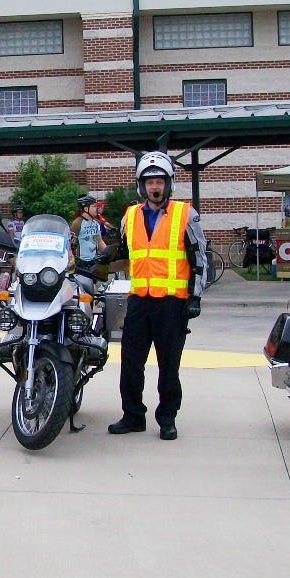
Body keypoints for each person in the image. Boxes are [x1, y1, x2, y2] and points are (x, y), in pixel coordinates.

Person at [106, 151, 206, 441]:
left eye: (160, 181)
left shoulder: (185, 214)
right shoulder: (130, 216)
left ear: (169, 184)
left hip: (172, 303)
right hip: (139, 300)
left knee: (169, 365)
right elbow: (124, 253)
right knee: (130, 362)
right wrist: (100, 260)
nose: (155, 187)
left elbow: (200, 259)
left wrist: (195, 298)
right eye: (150, 182)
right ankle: (133, 416)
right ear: (142, 186)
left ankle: (167, 418)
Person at [71, 195, 104, 265]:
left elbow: (100, 241)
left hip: (94, 261)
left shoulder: (96, 223)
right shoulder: (77, 223)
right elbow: (70, 244)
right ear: (86, 209)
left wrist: (108, 253)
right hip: (81, 263)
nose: (97, 208)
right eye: (94, 206)